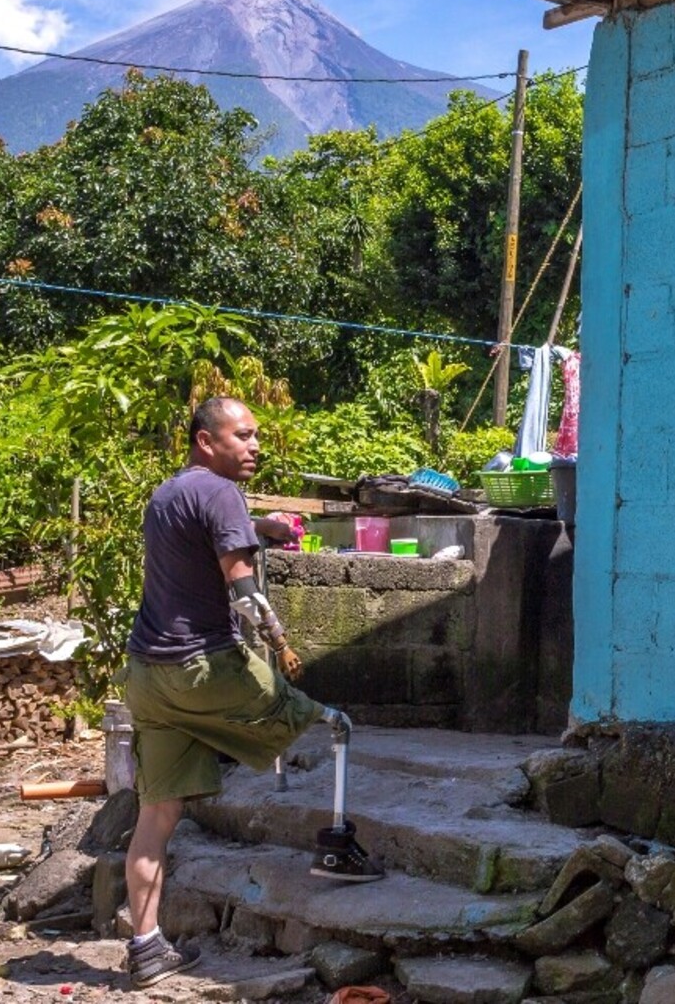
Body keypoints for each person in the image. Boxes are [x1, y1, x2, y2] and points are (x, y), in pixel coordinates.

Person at [120, 396, 381, 989]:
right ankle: (339, 848)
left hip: (147, 675)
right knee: (333, 725)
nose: (255, 446)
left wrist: (260, 527)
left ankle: (145, 947)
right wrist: (279, 641)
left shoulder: (167, 495)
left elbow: (205, 535)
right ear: (205, 441)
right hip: (203, 668)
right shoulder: (220, 493)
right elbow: (243, 587)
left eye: (256, 436)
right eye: (242, 436)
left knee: (156, 814)